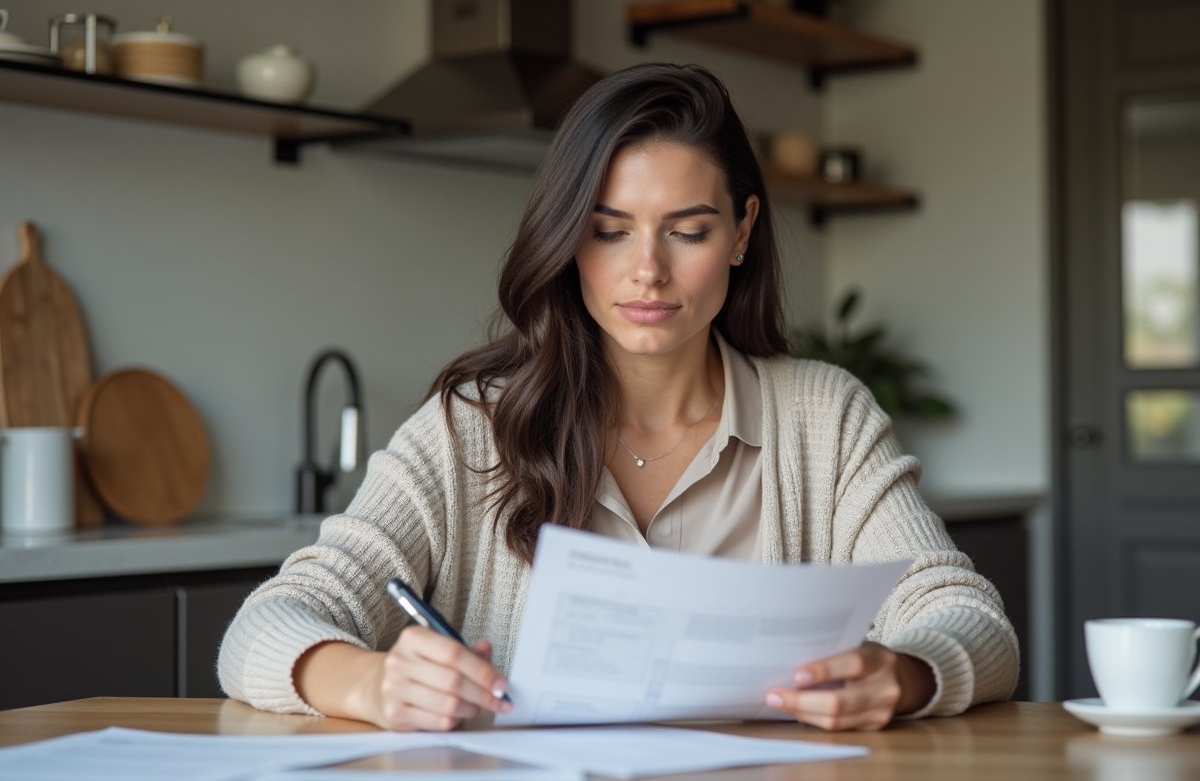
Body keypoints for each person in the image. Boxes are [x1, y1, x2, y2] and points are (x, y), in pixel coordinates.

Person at [218, 63, 1019, 733]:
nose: (647, 271)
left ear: (742, 232)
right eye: (609, 230)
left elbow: (972, 620)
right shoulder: (471, 427)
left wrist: (907, 673)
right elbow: (268, 622)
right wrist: (370, 684)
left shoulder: (826, 418)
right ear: (569, 239)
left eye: (688, 230)